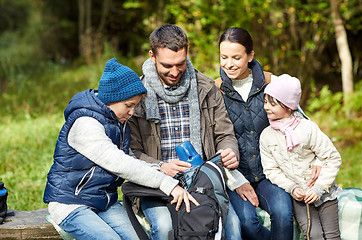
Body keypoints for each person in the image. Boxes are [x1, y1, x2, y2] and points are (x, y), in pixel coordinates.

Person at [43, 57, 198, 240]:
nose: (132, 112)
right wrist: (167, 185)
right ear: (112, 98)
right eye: (129, 106)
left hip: (103, 201)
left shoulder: (116, 121)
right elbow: (120, 163)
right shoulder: (85, 124)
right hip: (71, 203)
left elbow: (129, 159)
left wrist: (159, 168)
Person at [129, 24, 247, 240]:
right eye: (167, 65)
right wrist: (161, 167)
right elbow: (130, 152)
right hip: (156, 185)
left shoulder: (206, 87)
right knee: (165, 228)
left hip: (201, 181)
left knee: (232, 226)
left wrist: (229, 150)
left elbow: (225, 135)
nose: (174, 72)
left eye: (180, 64)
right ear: (152, 56)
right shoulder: (136, 96)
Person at [216, 27, 323, 240]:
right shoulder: (215, 91)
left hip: (272, 173)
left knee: (283, 214)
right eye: (223, 57)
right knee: (247, 223)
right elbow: (213, 141)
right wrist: (236, 180)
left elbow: (301, 122)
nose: (229, 64)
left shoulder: (272, 83)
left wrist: (319, 158)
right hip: (235, 176)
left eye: (236, 57)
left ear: (250, 56)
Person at [260, 74, 342, 239]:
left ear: (289, 106)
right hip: (300, 198)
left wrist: (319, 187)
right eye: (265, 101)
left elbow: (332, 158)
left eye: (272, 103)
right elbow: (271, 170)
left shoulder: (307, 128)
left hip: (325, 193)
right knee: (313, 234)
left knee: (332, 235)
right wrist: (291, 187)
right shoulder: (266, 136)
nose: (266, 107)